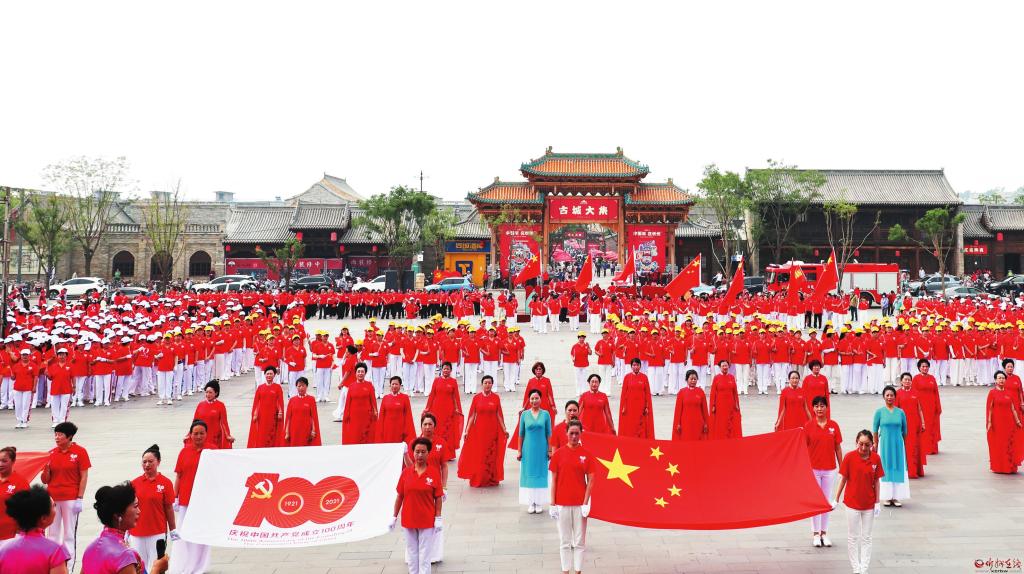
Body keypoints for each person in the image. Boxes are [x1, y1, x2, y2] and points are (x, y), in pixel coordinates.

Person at [41, 421, 89, 573]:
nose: (57, 437)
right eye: (55, 434)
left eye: (60, 435)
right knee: (52, 534)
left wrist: (80, 498)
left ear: (69, 437)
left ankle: (70, 567)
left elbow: (84, 476)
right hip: (53, 499)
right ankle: (52, 565)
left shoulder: (80, 452)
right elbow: (45, 480)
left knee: (69, 534)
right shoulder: (51, 453)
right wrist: (46, 470)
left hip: (71, 498)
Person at [833, 430, 884, 574]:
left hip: (869, 504)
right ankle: (856, 568)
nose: (863, 448)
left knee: (867, 537)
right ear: (856, 442)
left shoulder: (876, 459)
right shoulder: (849, 457)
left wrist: (877, 502)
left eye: (867, 445)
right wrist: (836, 499)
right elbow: (843, 479)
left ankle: (864, 568)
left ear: (872, 444)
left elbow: (877, 481)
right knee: (853, 537)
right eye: (860, 444)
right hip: (852, 504)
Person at [548, 420, 595, 574]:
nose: (574, 436)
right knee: (565, 541)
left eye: (577, 433)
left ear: (581, 434)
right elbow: (553, 480)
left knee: (579, 542)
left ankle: (578, 571)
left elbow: (591, 480)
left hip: (580, 505)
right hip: (562, 504)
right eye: (571, 433)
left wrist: (586, 503)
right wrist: (552, 504)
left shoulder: (587, 455)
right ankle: (565, 571)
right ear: (566, 433)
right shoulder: (558, 455)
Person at [391, 437, 443, 574]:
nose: (420, 455)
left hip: (427, 520)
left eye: (423, 452)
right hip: (409, 519)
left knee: (425, 554)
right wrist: (394, 517)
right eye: (417, 452)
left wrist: (438, 517)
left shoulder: (433, 473)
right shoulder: (406, 473)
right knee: (412, 552)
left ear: (428, 453)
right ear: (413, 453)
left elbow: (438, 497)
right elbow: (400, 496)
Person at [0, 485, 70, 573]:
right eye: (53, 506)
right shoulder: (55, 552)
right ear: (43, 518)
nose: (55, 509)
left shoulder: (4, 549)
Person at [81, 481, 146, 573]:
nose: (139, 511)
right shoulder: (125, 555)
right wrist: (157, 568)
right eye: (135, 506)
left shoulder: (90, 549)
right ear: (118, 515)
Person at [129, 445, 177, 568]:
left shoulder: (165, 483)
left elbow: (169, 508)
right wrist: (126, 530)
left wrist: (173, 529)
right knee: (139, 566)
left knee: (156, 566)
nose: (147, 465)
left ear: (158, 462)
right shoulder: (134, 483)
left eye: (150, 461)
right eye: (144, 462)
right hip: (136, 533)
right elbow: (128, 508)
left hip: (157, 533)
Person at [803, 396, 842, 548]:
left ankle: (824, 533)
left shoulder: (833, 426)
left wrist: (842, 467)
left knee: (826, 502)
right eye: (817, 406)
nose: (819, 409)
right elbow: (803, 448)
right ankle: (815, 534)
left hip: (829, 469)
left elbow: (837, 447)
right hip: (813, 469)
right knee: (816, 502)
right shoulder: (808, 426)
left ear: (826, 408)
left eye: (822, 406)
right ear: (813, 408)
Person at [174, 420, 211, 574]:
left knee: (202, 535)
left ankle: (200, 566)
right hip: (186, 500)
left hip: (204, 500)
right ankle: (185, 564)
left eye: (201, 433)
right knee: (184, 534)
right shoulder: (184, 452)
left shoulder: (212, 451)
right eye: (195, 433)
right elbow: (179, 476)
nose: (198, 436)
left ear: (206, 434)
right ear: (190, 435)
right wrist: (175, 497)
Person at [457, 375, 508, 487]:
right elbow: (472, 415)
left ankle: (490, 478)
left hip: (492, 431)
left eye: (489, 383)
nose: (487, 385)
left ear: (492, 384)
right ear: (482, 384)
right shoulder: (476, 398)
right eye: (485, 383)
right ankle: (479, 478)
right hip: (479, 431)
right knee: (479, 455)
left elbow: (499, 414)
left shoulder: (496, 398)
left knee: (491, 455)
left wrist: (504, 429)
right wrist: (467, 430)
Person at [872, 385, 909, 507]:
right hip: (884, 444)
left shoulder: (900, 412)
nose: (889, 397)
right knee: (885, 467)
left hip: (898, 444)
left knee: (898, 467)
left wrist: (902, 443)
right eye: (887, 395)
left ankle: (897, 497)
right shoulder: (879, 412)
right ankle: (887, 497)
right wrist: (875, 443)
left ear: (895, 397)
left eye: (892, 395)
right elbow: (875, 430)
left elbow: (905, 430)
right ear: (883, 397)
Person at [517, 389, 552, 514]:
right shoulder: (524, 415)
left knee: (541, 474)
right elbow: (521, 434)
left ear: (541, 399)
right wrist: (519, 451)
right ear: (529, 400)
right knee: (529, 474)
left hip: (541, 449)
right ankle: (531, 502)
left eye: (536, 398)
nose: (534, 400)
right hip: (528, 449)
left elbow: (549, 433)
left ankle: (539, 502)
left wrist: (549, 450)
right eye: (532, 398)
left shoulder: (546, 414)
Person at [508, 361, 556, 450]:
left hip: (544, 406)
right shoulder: (531, 381)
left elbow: (549, 394)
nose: (538, 371)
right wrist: (524, 408)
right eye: (536, 369)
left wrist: (553, 406)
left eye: (540, 369)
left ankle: (546, 444)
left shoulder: (547, 381)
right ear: (534, 371)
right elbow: (527, 396)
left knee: (544, 426)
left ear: (543, 370)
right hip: (532, 406)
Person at [986, 370, 1024, 474]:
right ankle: (999, 467)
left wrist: (1018, 421)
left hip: (1009, 423)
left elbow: (1013, 409)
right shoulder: (992, 393)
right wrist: (989, 422)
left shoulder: (1009, 393)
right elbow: (989, 409)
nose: (1001, 380)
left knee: (1009, 444)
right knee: (999, 445)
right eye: (999, 378)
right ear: (995, 380)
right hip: (997, 423)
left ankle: (1009, 467)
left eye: (1003, 378)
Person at [423, 362, 463, 457]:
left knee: (448, 432)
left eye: (448, 369)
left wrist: (458, 409)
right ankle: (435, 452)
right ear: (442, 369)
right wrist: (427, 408)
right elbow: (432, 395)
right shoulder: (436, 380)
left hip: (449, 410)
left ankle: (448, 454)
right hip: (436, 409)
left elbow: (456, 397)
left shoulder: (453, 381)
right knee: (437, 430)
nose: (446, 370)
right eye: (444, 368)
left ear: (451, 370)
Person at [894, 372, 928, 478]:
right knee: (906, 447)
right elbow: (895, 410)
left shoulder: (916, 393)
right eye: (905, 379)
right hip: (903, 424)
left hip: (915, 424)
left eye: (909, 380)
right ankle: (907, 470)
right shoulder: (897, 393)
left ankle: (915, 470)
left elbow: (920, 409)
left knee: (915, 447)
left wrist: (923, 422)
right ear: (901, 381)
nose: (907, 381)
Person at [247, 366, 285, 448]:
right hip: (262, 415)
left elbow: (280, 401)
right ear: (264, 375)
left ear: (274, 375)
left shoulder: (277, 387)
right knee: (262, 432)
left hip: (273, 415)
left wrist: (280, 412)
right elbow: (256, 402)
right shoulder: (260, 388)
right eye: (267, 374)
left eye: (271, 374)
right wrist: (255, 414)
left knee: (272, 432)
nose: (269, 375)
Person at [342, 362, 378, 445]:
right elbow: (348, 403)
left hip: (366, 416)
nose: (360, 373)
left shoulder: (369, 385)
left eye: (362, 372)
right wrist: (346, 416)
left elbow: (373, 401)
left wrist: (375, 413)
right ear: (355, 373)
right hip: (354, 417)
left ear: (365, 373)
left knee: (366, 437)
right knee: (355, 436)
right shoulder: (351, 386)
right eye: (358, 371)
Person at [0, 446, 30, 546]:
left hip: (10, 536)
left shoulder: (21, 483)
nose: (0, 464)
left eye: (4, 461)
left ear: (13, 462)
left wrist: (19, 532)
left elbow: (26, 510)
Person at [192, 380, 234, 449]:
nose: (208, 395)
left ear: (216, 393)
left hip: (215, 437)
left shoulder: (220, 405)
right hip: (202, 436)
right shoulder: (200, 405)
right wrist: (189, 434)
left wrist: (227, 436)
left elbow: (224, 423)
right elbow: (194, 421)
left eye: (210, 392)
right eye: (206, 392)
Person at [376, 376, 416, 448]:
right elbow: (381, 416)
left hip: (399, 428)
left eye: (396, 384)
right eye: (393, 384)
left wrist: (407, 430)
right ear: (390, 385)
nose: (394, 386)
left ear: (400, 385)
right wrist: (380, 430)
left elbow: (408, 415)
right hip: (387, 429)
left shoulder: (405, 398)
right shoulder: (385, 398)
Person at [618, 358, 654, 438]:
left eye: (637, 365)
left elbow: (647, 393)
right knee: (631, 423)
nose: (636, 367)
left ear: (640, 366)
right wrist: (623, 406)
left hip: (641, 406)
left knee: (640, 424)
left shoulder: (644, 377)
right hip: (630, 405)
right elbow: (623, 394)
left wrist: (647, 406)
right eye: (634, 365)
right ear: (631, 366)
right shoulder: (627, 377)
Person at [912, 359, 942, 455]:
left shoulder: (932, 378)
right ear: (919, 368)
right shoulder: (916, 379)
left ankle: (933, 448)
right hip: (921, 407)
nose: (925, 368)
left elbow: (936, 393)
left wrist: (938, 406)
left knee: (932, 426)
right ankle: (924, 448)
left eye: (926, 366)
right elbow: (914, 393)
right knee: (923, 426)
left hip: (932, 406)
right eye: (923, 366)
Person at [672, 369, 709, 441]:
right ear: (687, 380)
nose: (693, 381)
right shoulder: (682, 392)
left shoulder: (701, 392)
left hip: (698, 423)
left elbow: (704, 410)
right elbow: (678, 410)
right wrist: (678, 423)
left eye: (695, 379)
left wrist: (706, 423)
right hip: (685, 423)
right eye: (691, 379)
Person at [709, 360, 742, 440]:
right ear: (720, 367)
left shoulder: (731, 377)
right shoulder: (716, 378)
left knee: (730, 422)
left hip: (730, 404)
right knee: (721, 422)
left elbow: (735, 392)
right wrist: (713, 405)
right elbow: (713, 393)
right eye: (723, 366)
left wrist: (737, 404)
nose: (725, 367)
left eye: (726, 365)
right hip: (720, 405)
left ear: (728, 366)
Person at [284, 377, 321, 447]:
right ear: (296, 387)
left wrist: (313, 430)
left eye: (303, 386)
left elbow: (314, 417)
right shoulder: (292, 400)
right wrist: (287, 432)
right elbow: (288, 418)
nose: (301, 388)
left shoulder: (311, 399)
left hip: (306, 430)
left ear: (306, 386)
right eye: (299, 386)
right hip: (294, 430)